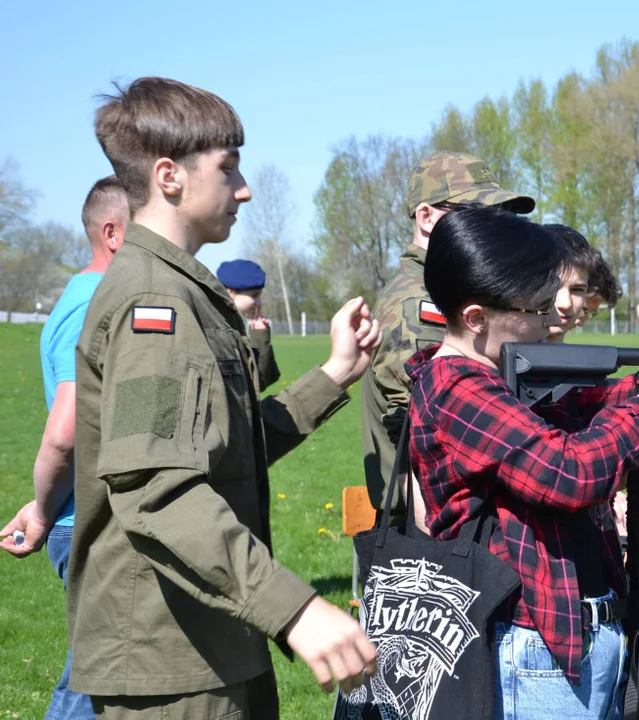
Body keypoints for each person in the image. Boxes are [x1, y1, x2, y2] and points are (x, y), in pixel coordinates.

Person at [64, 76, 379, 718]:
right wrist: (296, 609)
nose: (245, 188)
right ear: (169, 177)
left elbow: (221, 450)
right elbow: (157, 486)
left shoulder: (180, 290)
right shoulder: (156, 302)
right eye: (229, 168)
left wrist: (334, 374)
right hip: (171, 661)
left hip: (209, 642)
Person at [406, 205, 639, 718]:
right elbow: (566, 473)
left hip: (572, 631)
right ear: (477, 318)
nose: (551, 320)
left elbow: (601, 403)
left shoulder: (505, 382)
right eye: (535, 310)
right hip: (529, 645)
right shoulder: (456, 387)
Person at [0, 176, 128, 720]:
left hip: (87, 518)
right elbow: (64, 432)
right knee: (93, 682)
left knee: (107, 674)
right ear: (113, 234)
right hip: (89, 525)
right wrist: (46, 509)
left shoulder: (88, 297)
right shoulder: (90, 306)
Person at [361, 151, 534, 524]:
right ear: (426, 217)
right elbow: (421, 425)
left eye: (498, 216)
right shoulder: (418, 301)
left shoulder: (448, 288)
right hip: (432, 522)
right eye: (474, 213)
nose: (493, 227)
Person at [216, 258, 281, 389]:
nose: (259, 302)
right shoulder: (215, 327)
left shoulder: (234, 325)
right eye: (254, 295)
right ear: (230, 292)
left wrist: (259, 337)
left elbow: (260, 382)